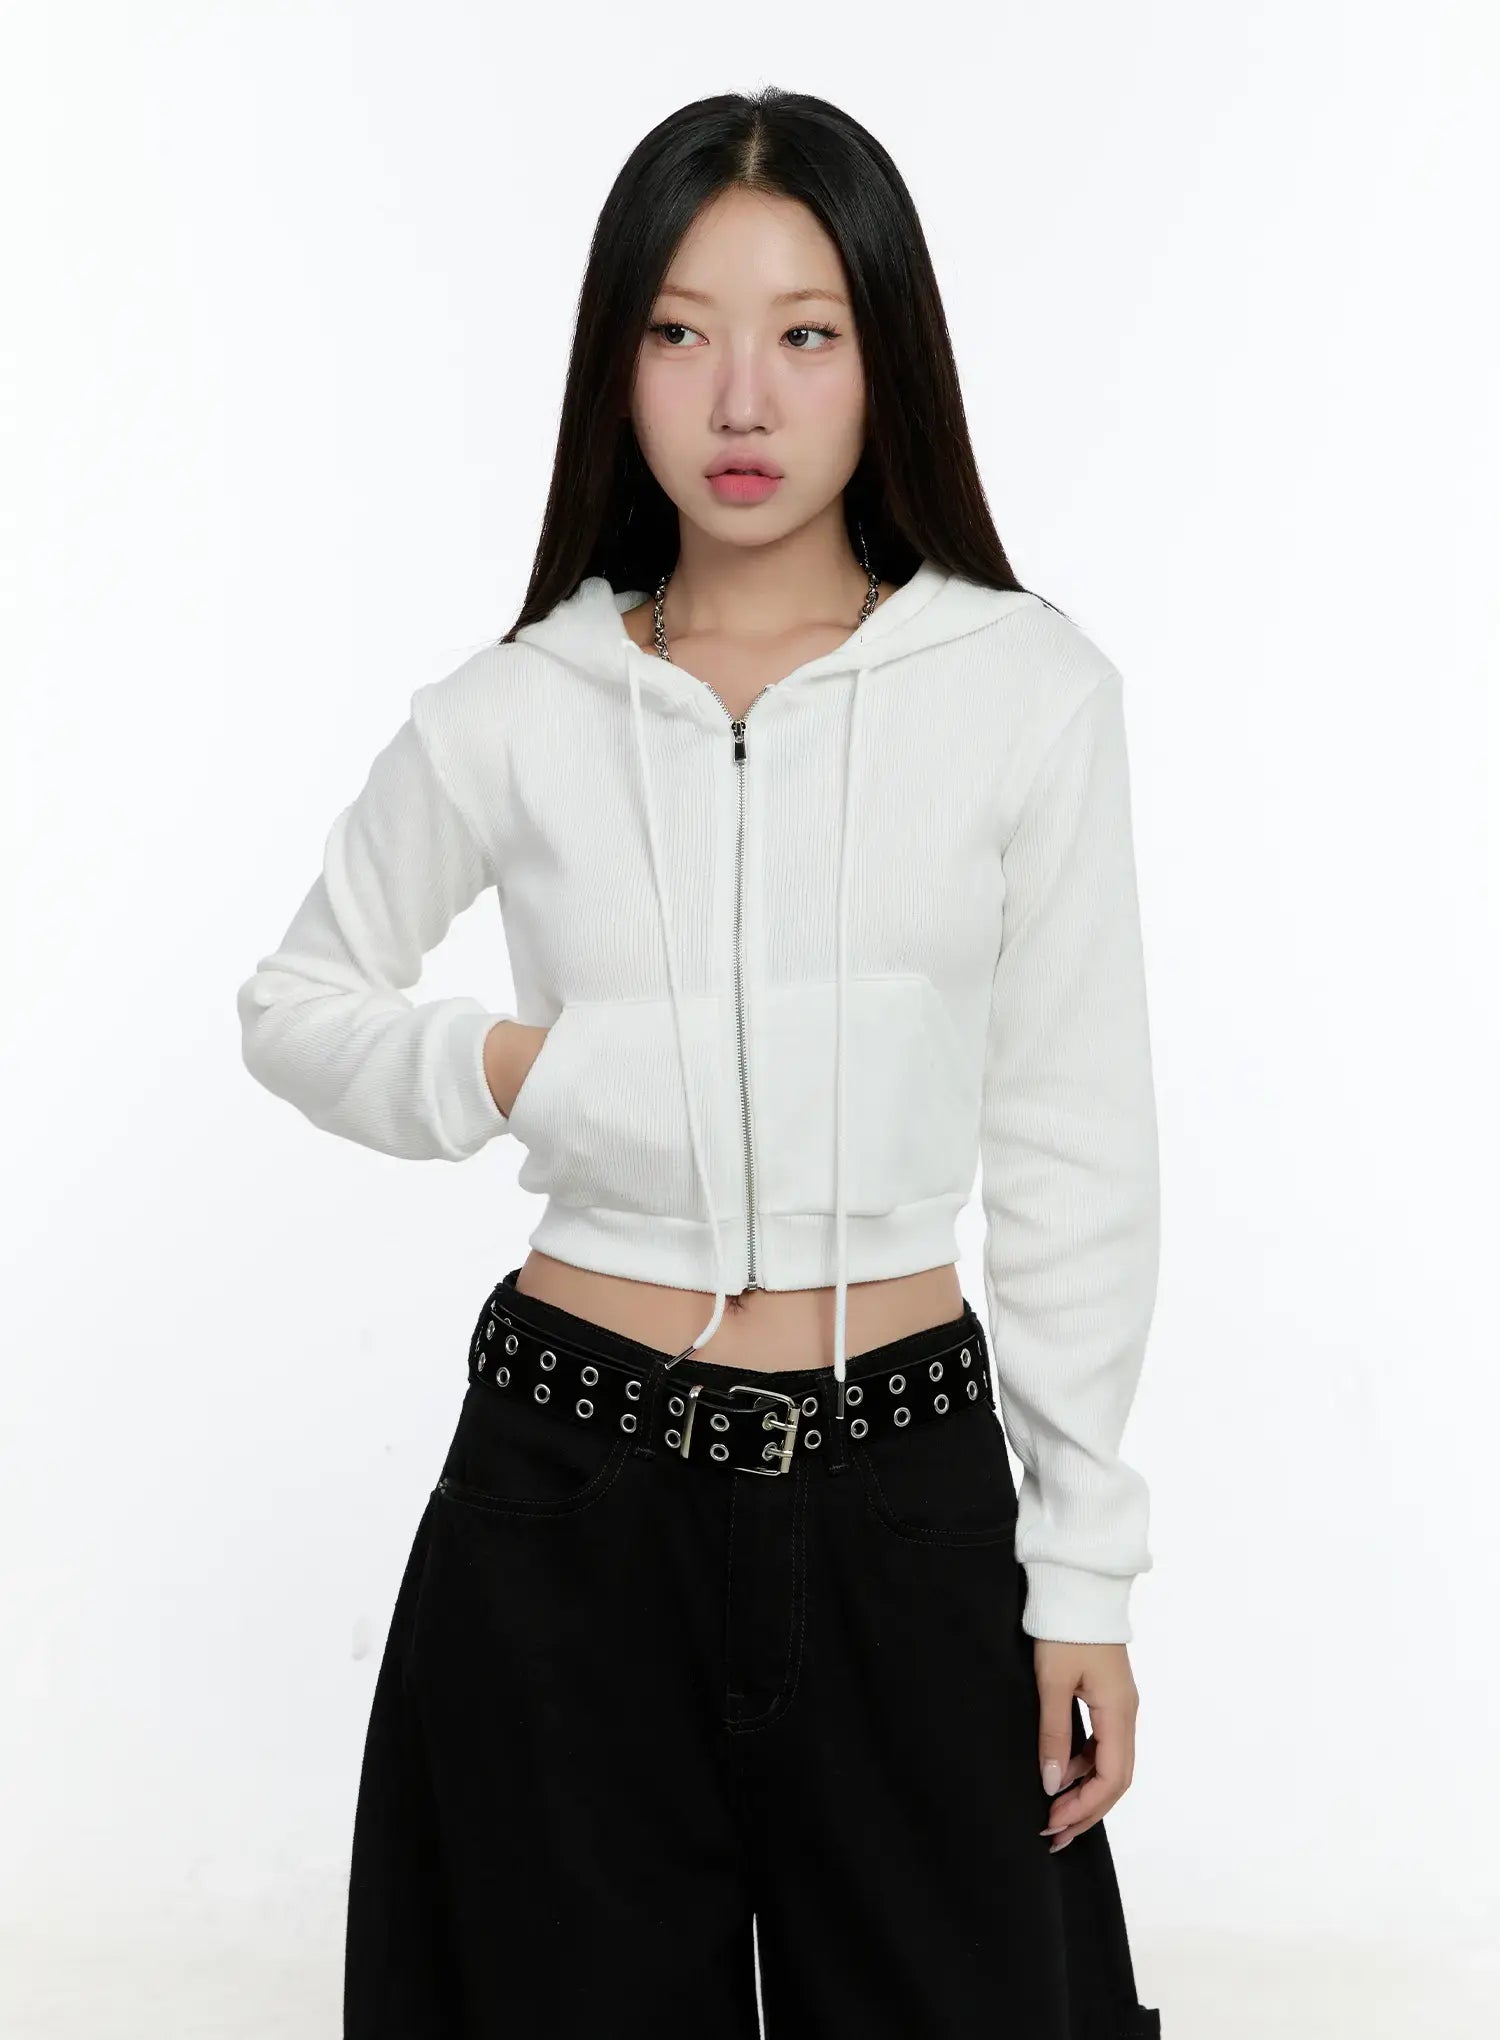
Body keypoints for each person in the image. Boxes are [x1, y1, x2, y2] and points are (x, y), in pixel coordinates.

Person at [237, 85, 1163, 2040]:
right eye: (681, 331)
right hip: (564, 1496)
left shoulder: (1025, 693)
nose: (743, 397)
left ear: (884, 356)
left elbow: (1075, 1149)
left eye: (805, 333)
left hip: (904, 1498)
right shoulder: (518, 707)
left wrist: (1083, 1570)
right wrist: (526, 1067)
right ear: (619, 362)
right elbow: (299, 1002)